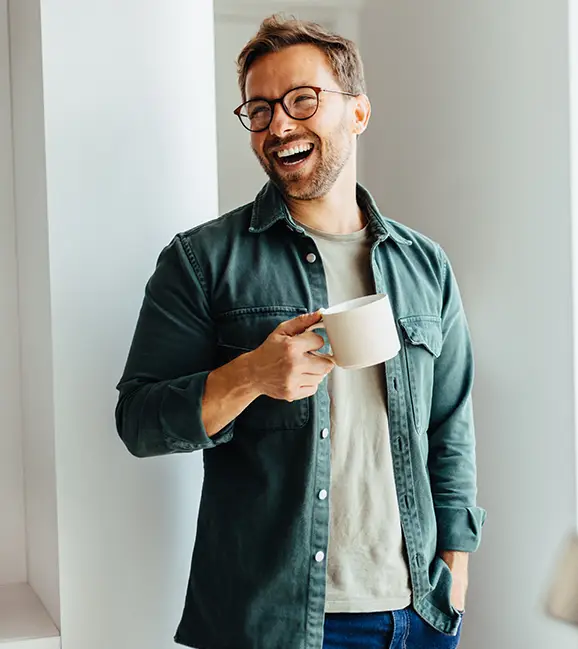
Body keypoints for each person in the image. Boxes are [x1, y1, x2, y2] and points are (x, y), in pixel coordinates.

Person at [115, 16, 484, 649]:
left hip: (417, 614)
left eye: (301, 100)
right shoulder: (203, 262)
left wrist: (454, 568)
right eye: (258, 111)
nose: (278, 125)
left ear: (359, 113)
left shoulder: (425, 266)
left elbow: (449, 427)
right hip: (269, 624)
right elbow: (140, 423)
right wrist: (252, 374)